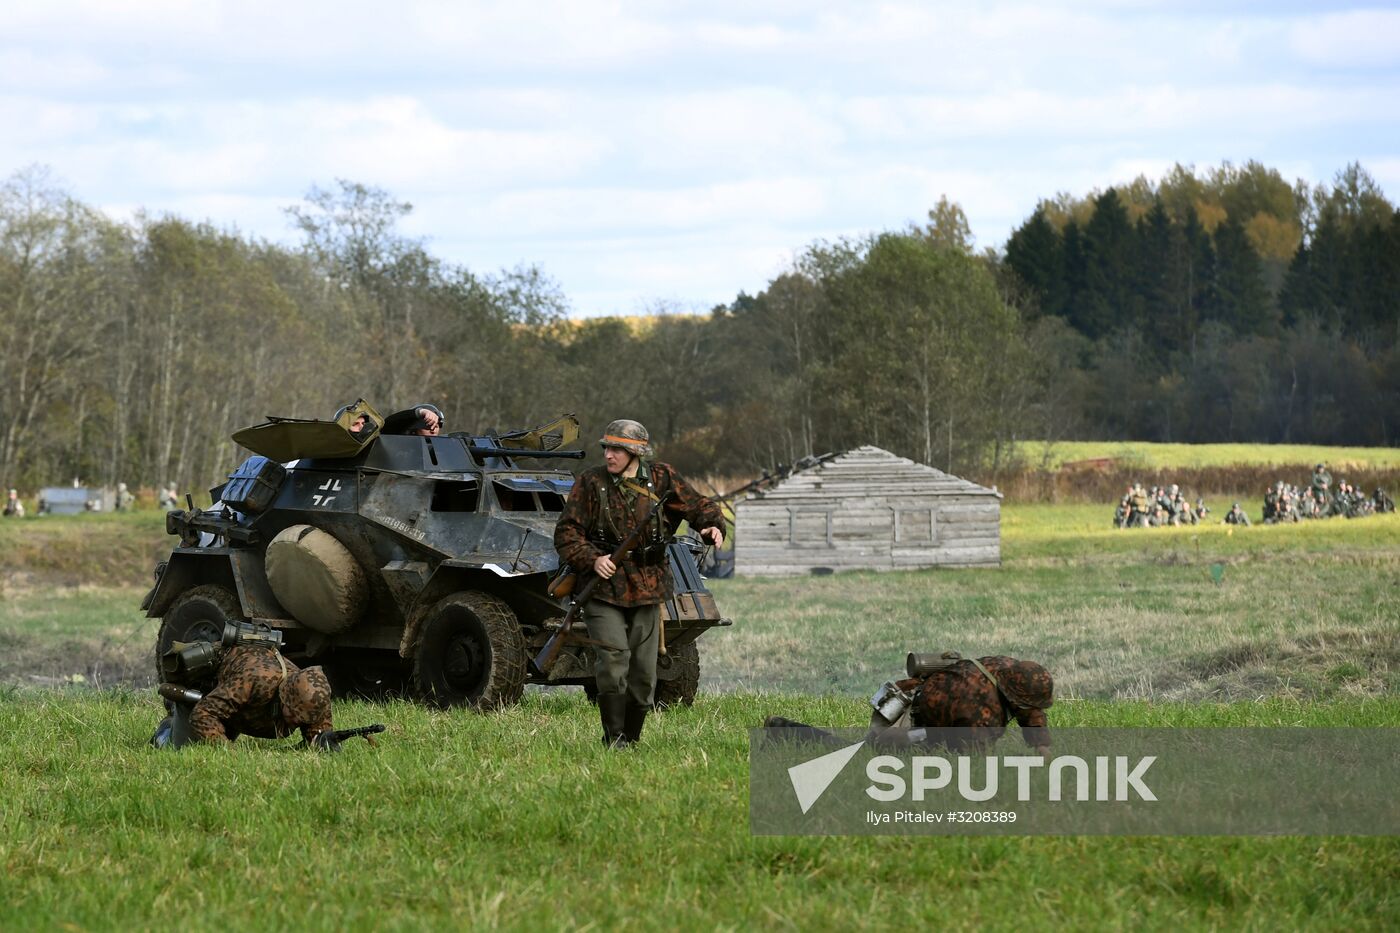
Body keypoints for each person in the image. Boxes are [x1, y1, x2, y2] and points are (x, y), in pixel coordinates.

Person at [554, 418, 725, 748]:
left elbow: (698, 505)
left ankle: (631, 739)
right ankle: (613, 738)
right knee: (613, 661)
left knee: (645, 674)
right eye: (607, 448)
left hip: (648, 586)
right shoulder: (590, 482)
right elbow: (566, 532)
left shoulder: (661, 478)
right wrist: (593, 558)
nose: (609, 455)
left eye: (617, 449)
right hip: (603, 588)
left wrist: (711, 526)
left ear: (635, 453)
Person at [765, 652, 1054, 757]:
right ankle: (785, 729)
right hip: (908, 721)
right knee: (859, 753)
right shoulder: (981, 715)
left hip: (907, 697)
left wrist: (1040, 743)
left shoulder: (1005, 666)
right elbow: (971, 763)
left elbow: (1029, 706)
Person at [157, 631, 338, 750]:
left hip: (241, 706)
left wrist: (325, 742)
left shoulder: (313, 694)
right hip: (212, 691)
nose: (297, 722)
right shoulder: (253, 680)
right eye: (294, 714)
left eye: (302, 718)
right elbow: (203, 714)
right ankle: (168, 724)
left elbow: (318, 734)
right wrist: (228, 752)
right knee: (183, 746)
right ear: (284, 696)